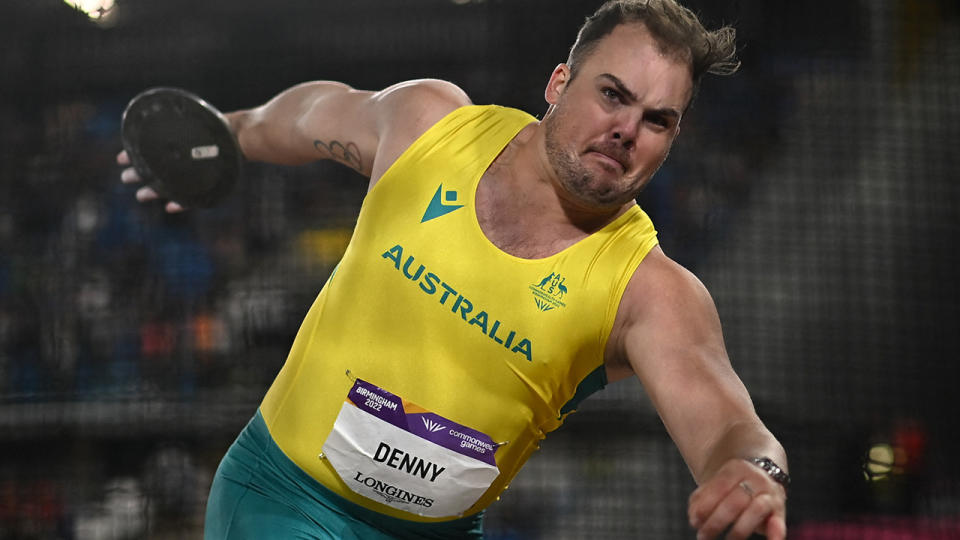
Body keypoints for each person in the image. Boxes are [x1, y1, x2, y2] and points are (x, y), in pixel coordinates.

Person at [118, 1, 789, 538]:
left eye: (657, 119)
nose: (626, 129)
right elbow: (307, 114)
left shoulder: (649, 293)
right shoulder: (429, 127)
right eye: (612, 94)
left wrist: (755, 473)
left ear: (673, 139)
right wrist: (226, 134)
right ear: (559, 82)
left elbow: (731, 424)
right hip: (284, 500)